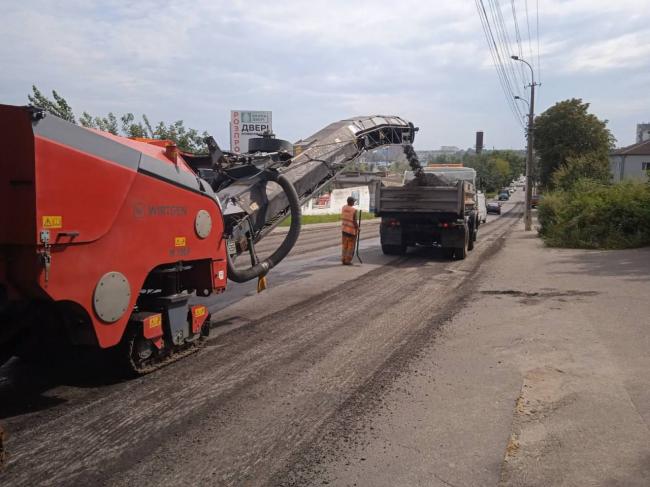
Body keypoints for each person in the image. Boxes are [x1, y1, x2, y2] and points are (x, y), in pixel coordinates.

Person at [341, 196, 359, 265]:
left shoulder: (343, 208)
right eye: (353, 201)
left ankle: (343, 259)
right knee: (350, 247)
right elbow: (354, 221)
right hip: (351, 231)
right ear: (351, 202)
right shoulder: (353, 210)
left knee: (344, 246)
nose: (354, 202)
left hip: (344, 230)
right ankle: (347, 261)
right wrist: (358, 228)